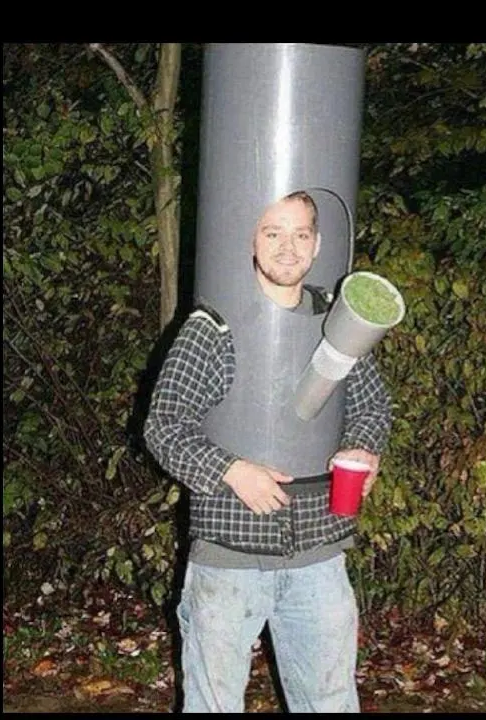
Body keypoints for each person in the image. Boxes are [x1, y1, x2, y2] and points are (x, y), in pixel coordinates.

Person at [144, 190, 393, 712]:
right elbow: (163, 426)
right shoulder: (213, 326)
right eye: (272, 233)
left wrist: (364, 447)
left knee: (330, 703)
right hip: (228, 557)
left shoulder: (335, 321)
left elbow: (372, 406)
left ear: (317, 243)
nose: (287, 247)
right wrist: (231, 470)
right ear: (252, 241)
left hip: (318, 556)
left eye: (300, 234)